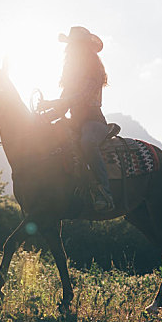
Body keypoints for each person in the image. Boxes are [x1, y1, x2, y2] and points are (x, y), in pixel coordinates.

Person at [38, 26, 114, 212]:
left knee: (88, 142)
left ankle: (104, 191)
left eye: (76, 45)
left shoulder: (94, 70)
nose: (72, 49)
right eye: (71, 46)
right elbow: (64, 103)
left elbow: (82, 97)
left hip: (94, 121)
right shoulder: (70, 74)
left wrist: (53, 103)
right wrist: (46, 115)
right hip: (75, 122)